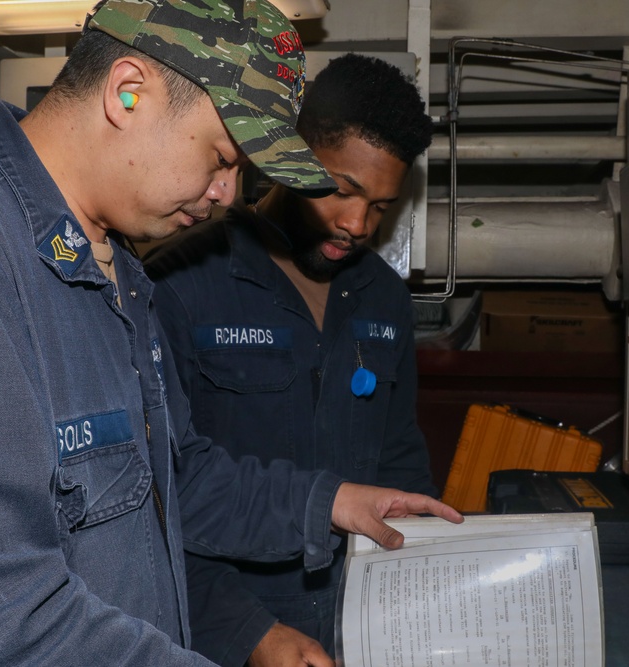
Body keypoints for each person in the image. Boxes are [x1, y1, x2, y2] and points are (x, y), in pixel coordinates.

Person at [0, 2, 460, 665]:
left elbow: (176, 481)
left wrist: (333, 502)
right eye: (221, 157)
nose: (228, 195)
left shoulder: (115, 270)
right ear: (128, 92)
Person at [145, 53, 437, 665]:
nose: (358, 223)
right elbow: (158, 497)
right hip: (222, 632)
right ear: (291, 155)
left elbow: (400, 460)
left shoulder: (385, 299)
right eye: (342, 189)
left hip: (360, 623)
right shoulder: (181, 280)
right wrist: (248, 633)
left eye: (381, 206)